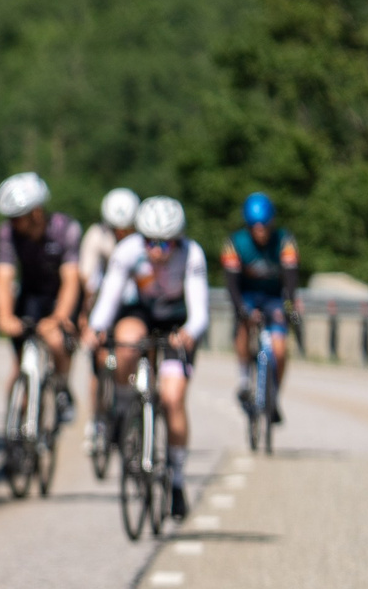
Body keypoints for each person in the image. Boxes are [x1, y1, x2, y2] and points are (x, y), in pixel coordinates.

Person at [88, 195, 208, 520]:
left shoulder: (192, 254)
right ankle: (126, 410)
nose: (156, 251)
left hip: (176, 322)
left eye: (165, 245)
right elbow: (109, 296)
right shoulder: (128, 252)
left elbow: (199, 313)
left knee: (172, 398)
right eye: (150, 242)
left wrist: (187, 334)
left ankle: (178, 480)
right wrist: (97, 328)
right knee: (126, 342)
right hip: (142, 312)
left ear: (177, 241)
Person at [0, 172, 83, 416]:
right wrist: (4, 315)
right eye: (9, 218)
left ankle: (62, 387)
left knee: (55, 341)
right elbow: (3, 276)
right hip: (32, 294)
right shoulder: (7, 233)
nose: (12, 223)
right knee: (20, 359)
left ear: (36, 213)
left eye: (17, 218)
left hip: (60, 295)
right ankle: (17, 421)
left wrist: (59, 317)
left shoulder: (66, 229)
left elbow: (71, 279)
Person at [223, 191, 300, 422]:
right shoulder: (235, 243)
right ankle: (245, 380)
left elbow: (291, 278)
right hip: (247, 295)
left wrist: (288, 304)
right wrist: (241, 310)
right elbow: (231, 284)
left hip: (274, 297)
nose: (261, 232)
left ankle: (274, 396)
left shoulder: (285, 240)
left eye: (265, 227)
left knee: (279, 349)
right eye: (255, 228)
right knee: (244, 326)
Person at [80, 187, 139, 452]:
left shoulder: (142, 241)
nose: (122, 234)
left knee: (135, 350)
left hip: (133, 305)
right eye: (117, 229)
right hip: (104, 304)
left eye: (127, 229)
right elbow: (87, 279)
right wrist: (85, 317)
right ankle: (97, 418)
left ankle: (133, 406)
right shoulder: (96, 237)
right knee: (99, 359)